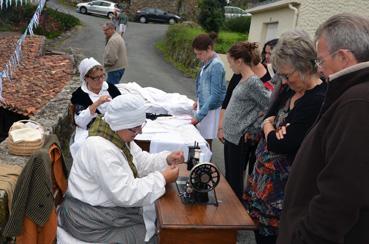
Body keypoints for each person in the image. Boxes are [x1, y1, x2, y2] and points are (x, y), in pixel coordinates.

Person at [277, 13, 369, 244]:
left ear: (343, 57)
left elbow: (341, 193)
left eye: (320, 61)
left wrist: (305, 237)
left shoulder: (357, 102)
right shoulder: (355, 95)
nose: (319, 69)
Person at [58, 94, 184, 243]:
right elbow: (126, 193)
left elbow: (141, 162)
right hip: (89, 220)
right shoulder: (100, 149)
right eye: (135, 128)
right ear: (121, 124)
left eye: (140, 125)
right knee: (154, 236)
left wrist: (166, 159)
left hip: (104, 212)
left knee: (155, 224)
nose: (140, 132)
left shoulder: (116, 135)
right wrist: (162, 178)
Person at [244, 30, 327, 244]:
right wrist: (271, 126)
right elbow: (272, 124)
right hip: (262, 189)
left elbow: (282, 144)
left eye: (287, 75)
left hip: (280, 197)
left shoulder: (316, 99)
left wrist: (268, 126)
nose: (284, 80)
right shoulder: (290, 90)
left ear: (305, 66)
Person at [220, 42, 271, 200]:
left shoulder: (253, 82)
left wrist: (253, 125)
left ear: (239, 61)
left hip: (239, 137)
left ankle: (235, 217)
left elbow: (270, 105)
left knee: (235, 179)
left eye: (230, 62)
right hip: (232, 136)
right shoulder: (243, 79)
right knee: (230, 176)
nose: (230, 66)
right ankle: (231, 211)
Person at [70, 57, 121, 158]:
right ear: (86, 78)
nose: (101, 80)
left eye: (102, 76)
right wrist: (97, 103)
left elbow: (123, 106)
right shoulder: (80, 95)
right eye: (96, 78)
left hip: (115, 126)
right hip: (90, 130)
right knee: (88, 148)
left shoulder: (110, 88)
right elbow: (80, 122)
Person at [192, 32, 226, 149]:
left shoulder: (216, 65)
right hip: (205, 106)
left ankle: (206, 166)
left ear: (209, 49)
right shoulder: (207, 61)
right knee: (201, 141)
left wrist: (199, 116)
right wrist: (198, 100)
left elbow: (215, 94)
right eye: (196, 54)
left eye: (200, 54)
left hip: (210, 110)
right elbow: (203, 84)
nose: (198, 57)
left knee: (205, 144)